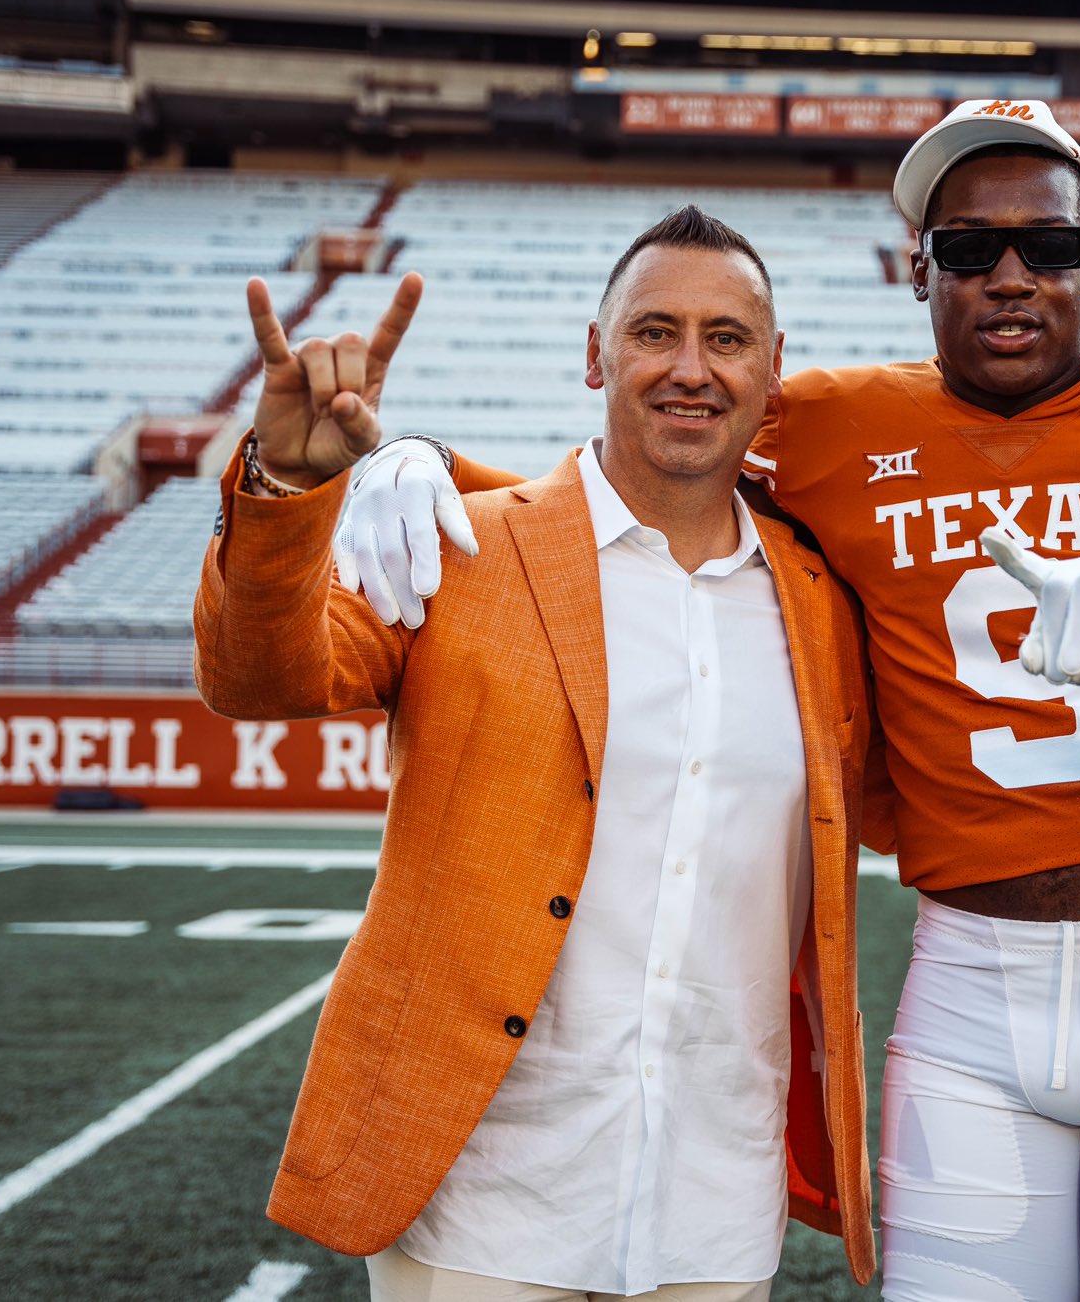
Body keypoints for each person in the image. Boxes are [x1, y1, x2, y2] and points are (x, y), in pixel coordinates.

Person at [338, 99, 1080, 1299]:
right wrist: (427, 460)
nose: (1006, 277)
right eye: (964, 248)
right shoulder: (830, 428)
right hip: (973, 996)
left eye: (1042, 248)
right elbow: (637, 473)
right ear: (915, 269)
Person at [193, 206, 877, 1300]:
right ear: (595, 351)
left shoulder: (819, 602)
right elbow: (258, 680)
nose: (689, 369)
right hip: (483, 1198)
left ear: (774, 366)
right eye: (654, 332)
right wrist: (286, 486)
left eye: (726, 337)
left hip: (714, 1199)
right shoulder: (462, 541)